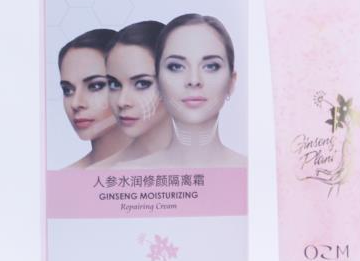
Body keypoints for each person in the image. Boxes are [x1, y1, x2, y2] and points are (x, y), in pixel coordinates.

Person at [131, 14, 246, 168]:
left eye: (211, 66)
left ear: (231, 82)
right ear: (157, 83)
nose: (194, 80)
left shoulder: (253, 173)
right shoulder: (127, 173)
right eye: (176, 67)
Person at [97, 20, 172, 166]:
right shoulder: (99, 174)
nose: (122, 102)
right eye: (114, 84)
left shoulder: (211, 166)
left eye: (142, 84)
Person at [57, 29, 130, 168]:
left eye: (95, 86)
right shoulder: (64, 177)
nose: (75, 103)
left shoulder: (164, 171)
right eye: (68, 90)